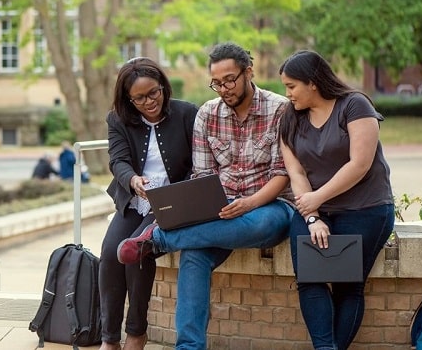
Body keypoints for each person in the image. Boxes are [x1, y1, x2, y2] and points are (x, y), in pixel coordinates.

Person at [116, 42, 294, 350]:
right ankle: (189, 346)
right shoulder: (207, 114)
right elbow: (203, 176)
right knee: (194, 254)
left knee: (255, 223)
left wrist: (248, 204)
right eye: (216, 83)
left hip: (268, 205)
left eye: (229, 80)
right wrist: (208, 205)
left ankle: (158, 240)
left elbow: (282, 174)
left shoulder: (279, 109)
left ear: (248, 72)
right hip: (221, 209)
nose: (223, 88)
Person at [278, 49, 395, 350]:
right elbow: (296, 172)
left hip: (366, 207)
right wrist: (313, 215)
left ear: (313, 82)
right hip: (313, 208)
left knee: (348, 285)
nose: (287, 93)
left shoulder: (355, 105)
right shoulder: (289, 118)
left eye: (291, 86)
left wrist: (317, 198)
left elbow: (360, 164)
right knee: (309, 279)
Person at [100, 57, 198, 350]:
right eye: (139, 98)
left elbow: (200, 162)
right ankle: (109, 338)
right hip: (135, 199)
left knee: (135, 251)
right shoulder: (117, 118)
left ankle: (136, 332)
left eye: (154, 92)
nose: (149, 101)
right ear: (128, 99)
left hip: (173, 200)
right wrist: (133, 181)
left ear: (163, 87)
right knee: (109, 254)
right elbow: (117, 160)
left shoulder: (187, 113)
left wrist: (181, 192)